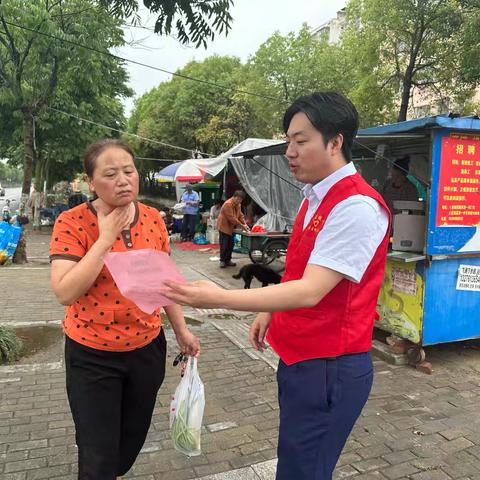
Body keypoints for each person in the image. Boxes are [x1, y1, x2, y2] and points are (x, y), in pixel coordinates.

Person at [163, 92, 391, 480]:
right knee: (296, 464)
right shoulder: (313, 198)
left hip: (329, 366)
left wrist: (220, 296)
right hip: (303, 360)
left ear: (335, 142)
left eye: (301, 141)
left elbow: (311, 290)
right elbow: (299, 268)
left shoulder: (356, 206)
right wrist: (269, 309)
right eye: (288, 140)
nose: (290, 151)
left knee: (303, 470)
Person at [49, 139, 200, 480]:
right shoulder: (72, 222)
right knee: (98, 454)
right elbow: (65, 291)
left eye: (129, 171)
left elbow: (165, 283)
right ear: (91, 181)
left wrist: (181, 330)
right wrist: (104, 239)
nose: (123, 180)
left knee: (128, 443)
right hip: (92, 356)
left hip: (146, 350)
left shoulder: (152, 219)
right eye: (110, 173)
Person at [217, 190, 250, 268]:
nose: (240, 201)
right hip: (224, 226)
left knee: (231, 244)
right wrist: (242, 226)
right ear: (234, 197)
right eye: (238, 199)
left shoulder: (238, 204)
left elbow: (240, 215)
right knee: (224, 244)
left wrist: (245, 223)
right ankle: (222, 261)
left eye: (241, 199)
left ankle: (228, 260)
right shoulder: (227, 204)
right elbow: (232, 218)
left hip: (232, 227)